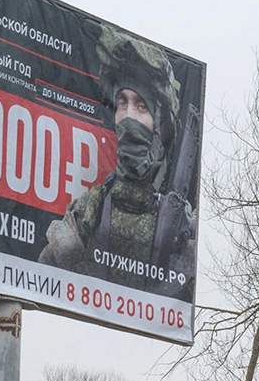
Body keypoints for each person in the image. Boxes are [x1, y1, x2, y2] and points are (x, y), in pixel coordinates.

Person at [40, 27, 184, 272]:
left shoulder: (182, 223)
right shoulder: (90, 208)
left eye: (141, 106)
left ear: (161, 124)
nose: (128, 117)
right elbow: (42, 276)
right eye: (122, 103)